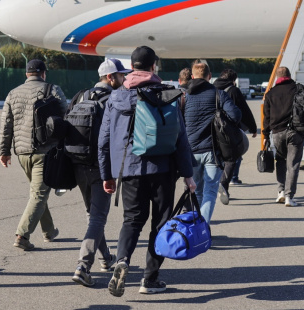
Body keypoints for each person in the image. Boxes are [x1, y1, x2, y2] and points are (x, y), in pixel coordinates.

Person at [99, 46, 196, 297]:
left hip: (129, 169)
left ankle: (121, 260)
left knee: (132, 220)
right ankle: (149, 280)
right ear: (154, 66)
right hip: (163, 169)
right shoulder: (167, 94)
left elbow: (104, 139)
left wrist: (107, 174)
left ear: (132, 67)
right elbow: (180, 138)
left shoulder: (116, 97)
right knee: (160, 224)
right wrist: (187, 174)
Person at [70, 58, 128, 287]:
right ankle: (83, 266)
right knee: (97, 217)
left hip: (78, 165)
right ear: (110, 77)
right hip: (101, 168)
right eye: (121, 76)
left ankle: (106, 258)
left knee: (92, 214)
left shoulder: (81, 96)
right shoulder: (113, 99)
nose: (123, 79)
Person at [0, 59, 67, 251]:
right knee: (38, 194)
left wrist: (4, 151)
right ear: (43, 73)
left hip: (22, 153)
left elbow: (6, 126)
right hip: (46, 152)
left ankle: (49, 231)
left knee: (38, 192)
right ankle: (22, 235)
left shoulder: (13, 93)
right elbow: (66, 117)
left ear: (26, 74)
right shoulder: (53, 89)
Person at [184, 62, 241, 220]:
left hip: (190, 152)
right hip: (213, 151)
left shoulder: (184, 96)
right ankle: (203, 227)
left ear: (193, 76)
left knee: (196, 191)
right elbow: (236, 116)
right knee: (210, 192)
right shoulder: (218, 94)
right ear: (209, 76)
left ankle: (197, 228)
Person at [213, 68, 257, 204]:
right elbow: (244, 110)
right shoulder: (233, 91)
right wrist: (253, 127)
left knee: (216, 158)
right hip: (229, 130)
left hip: (212, 129)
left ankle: (214, 186)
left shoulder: (211, 89)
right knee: (233, 157)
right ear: (233, 80)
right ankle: (227, 182)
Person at [261, 66, 303, 207]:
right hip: (295, 132)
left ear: (277, 78)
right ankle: (289, 197)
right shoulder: (298, 89)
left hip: (277, 132)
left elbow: (266, 117)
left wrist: (265, 134)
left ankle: (280, 192)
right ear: (289, 76)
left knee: (280, 161)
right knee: (293, 165)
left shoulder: (271, 93)